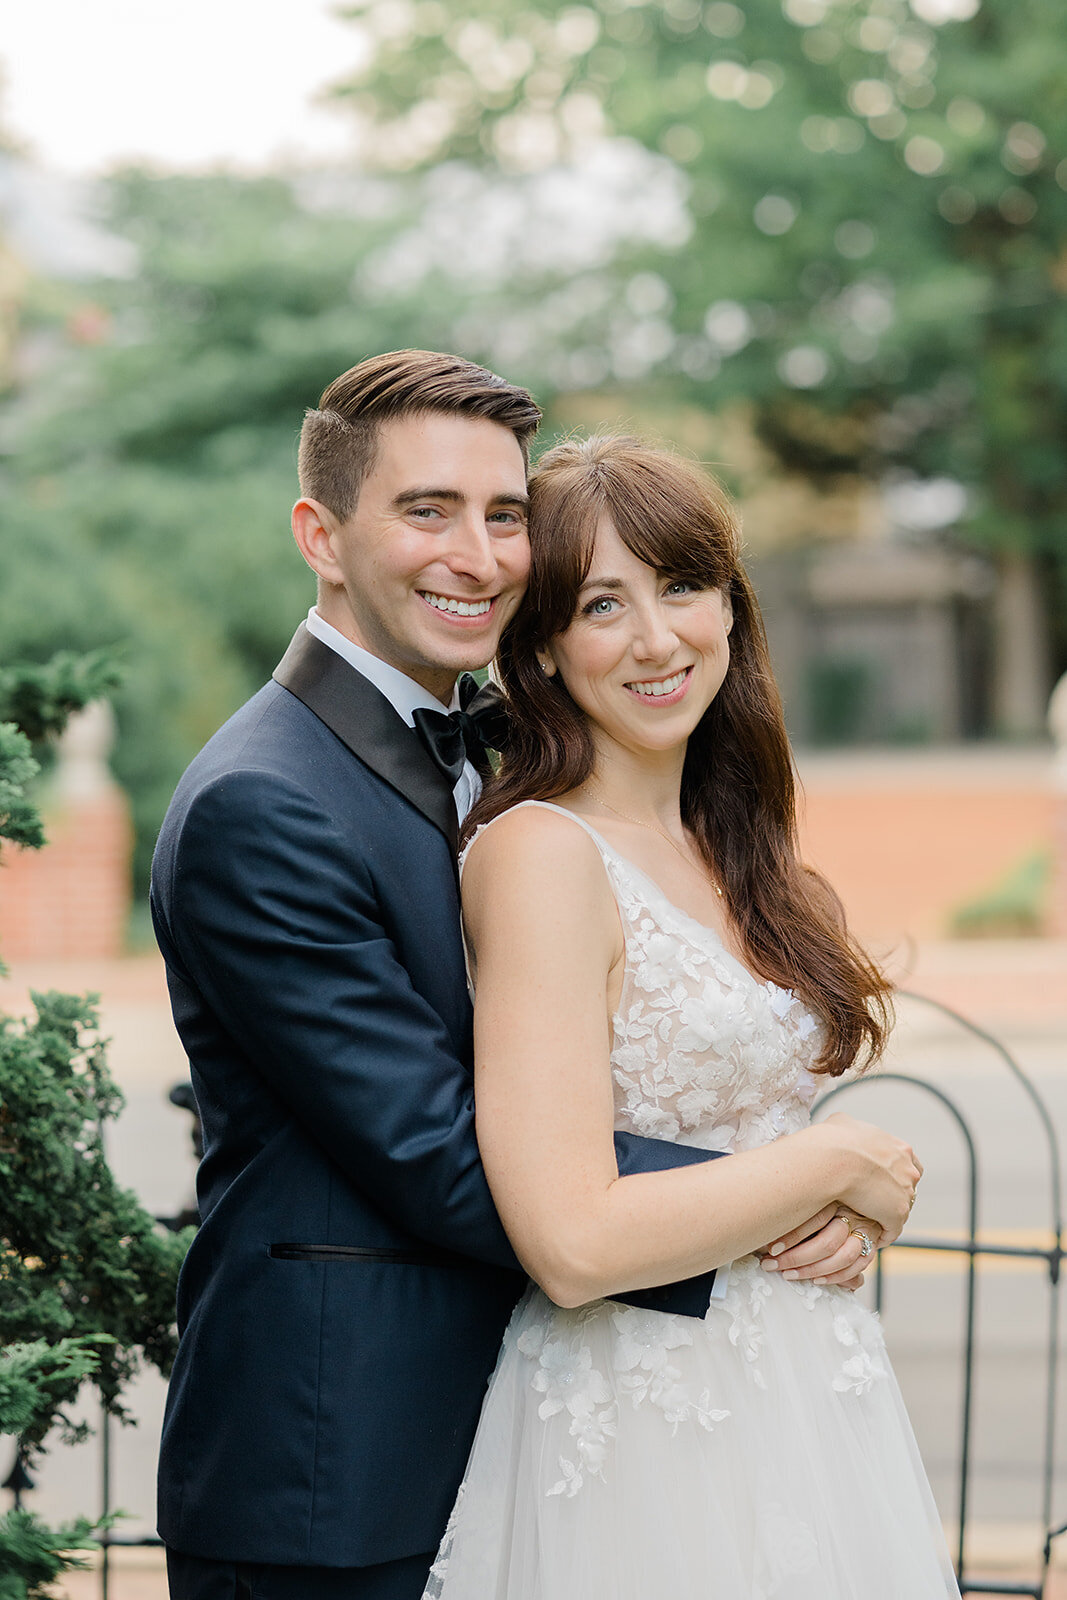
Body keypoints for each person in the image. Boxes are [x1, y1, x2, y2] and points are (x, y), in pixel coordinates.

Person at [151, 351, 881, 1600]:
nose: (478, 554)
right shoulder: (261, 803)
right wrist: (792, 1187)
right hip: (338, 1471)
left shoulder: (509, 751)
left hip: (536, 1423)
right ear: (320, 536)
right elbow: (439, 1149)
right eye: (425, 510)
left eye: (501, 516)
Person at [423, 434, 958, 1599]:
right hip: (641, 1425)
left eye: (679, 585)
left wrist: (846, 1213)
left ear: (729, 605)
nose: (658, 638)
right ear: (547, 649)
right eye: (602, 604)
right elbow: (572, 1242)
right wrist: (834, 1157)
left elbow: (742, 1149)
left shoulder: (739, 849)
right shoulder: (539, 857)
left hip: (813, 1398)